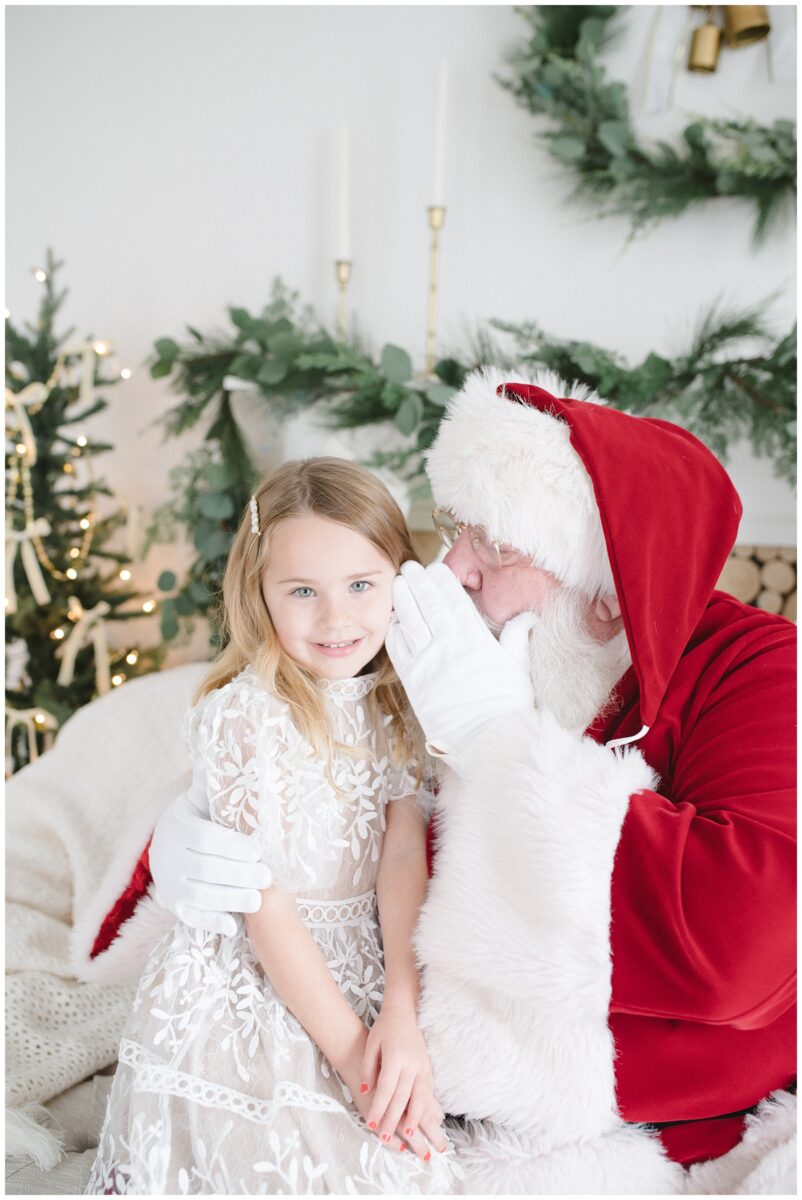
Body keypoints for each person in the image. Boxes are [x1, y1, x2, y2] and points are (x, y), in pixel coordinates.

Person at [83, 369, 795, 1192]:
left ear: (606, 588)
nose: (452, 569)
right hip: (390, 1063)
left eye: (494, 546)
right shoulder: (451, 648)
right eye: (456, 530)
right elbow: (320, 786)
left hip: (632, 1118)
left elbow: (747, 937)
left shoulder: (756, 667)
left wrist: (498, 742)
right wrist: (182, 834)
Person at [86, 458, 460, 1195]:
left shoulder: (395, 703)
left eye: (361, 585)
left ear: (398, 579)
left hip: (372, 961)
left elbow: (401, 859)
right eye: (302, 592)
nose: (336, 619)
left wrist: (402, 1016)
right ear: (259, 593)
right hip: (257, 974)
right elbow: (267, 903)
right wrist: (355, 1057)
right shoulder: (246, 715)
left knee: (419, 1151)